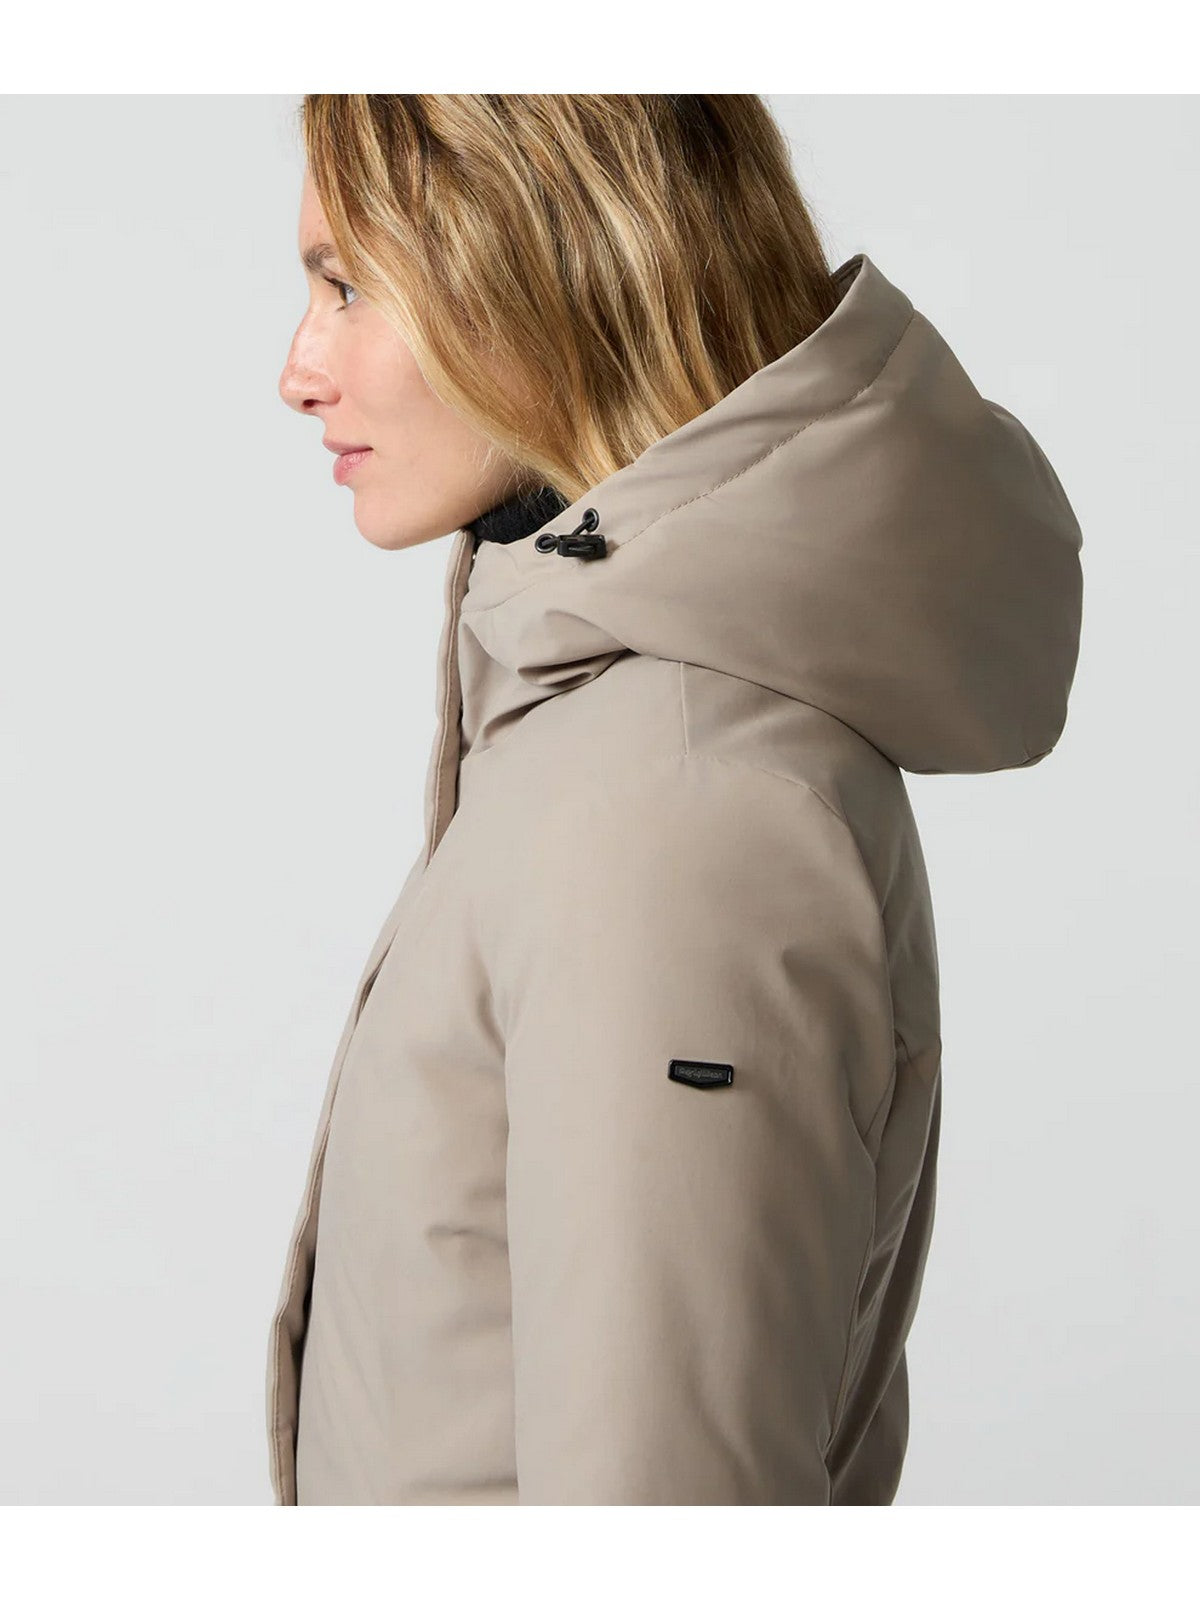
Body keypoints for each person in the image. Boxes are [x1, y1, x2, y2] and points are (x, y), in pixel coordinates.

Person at [269, 93, 1083, 1506]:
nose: (299, 370)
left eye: (350, 286)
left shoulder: (672, 812)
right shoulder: (613, 738)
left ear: (550, 266)